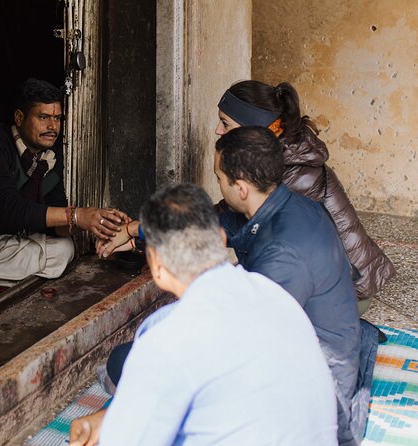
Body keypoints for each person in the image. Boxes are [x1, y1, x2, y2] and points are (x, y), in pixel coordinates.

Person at [69, 183, 338, 446]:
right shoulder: (275, 296)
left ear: (157, 266)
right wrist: (112, 416)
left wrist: (118, 423)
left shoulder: (163, 337)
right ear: (220, 239)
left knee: (123, 364)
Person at [213, 127, 377, 445]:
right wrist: (137, 230)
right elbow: (209, 223)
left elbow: (252, 344)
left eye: (219, 178)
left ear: (241, 187)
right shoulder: (289, 205)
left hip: (322, 388)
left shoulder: (283, 255)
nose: (219, 185)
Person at [216, 80, 395, 314]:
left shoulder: (293, 174)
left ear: (253, 129)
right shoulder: (277, 157)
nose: (218, 130)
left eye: (225, 123)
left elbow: (237, 222)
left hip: (347, 292)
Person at [0, 78, 128, 295]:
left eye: (57, 118)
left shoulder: (50, 158)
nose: (53, 127)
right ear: (19, 117)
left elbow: (58, 225)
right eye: (43, 117)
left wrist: (98, 221)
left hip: (5, 247)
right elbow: (9, 209)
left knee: (64, 249)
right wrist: (78, 215)